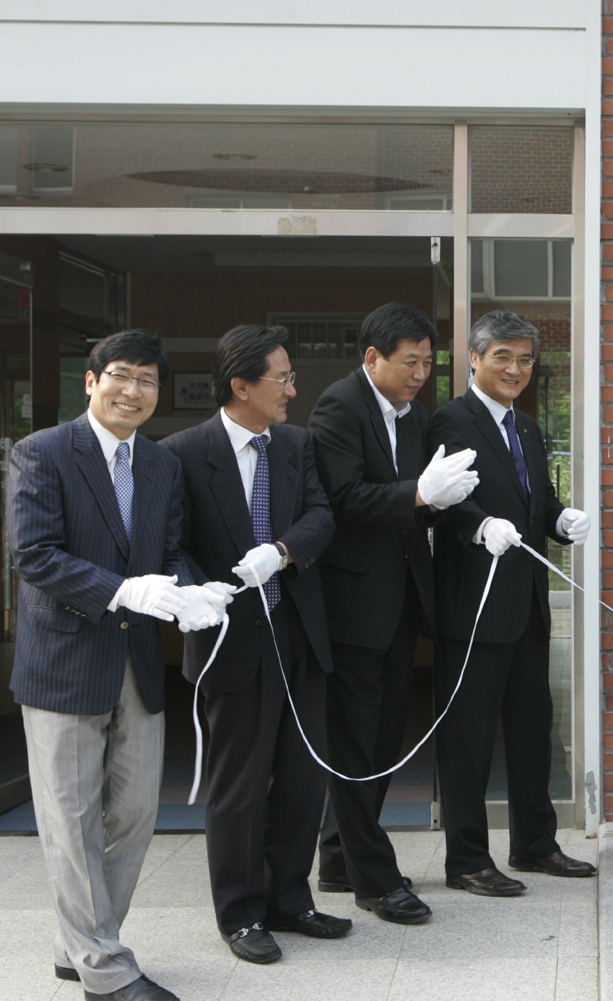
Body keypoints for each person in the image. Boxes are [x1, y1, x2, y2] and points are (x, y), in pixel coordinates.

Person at [7, 330, 223, 1001]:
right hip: (64, 663)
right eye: (122, 376)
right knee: (70, 825)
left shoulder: (160, 463)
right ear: (92, 382)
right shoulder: (42, 452)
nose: (134, 391)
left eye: (147, 381)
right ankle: (105, 968)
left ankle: (77, 943)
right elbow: (33, 554)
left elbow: (169, 548)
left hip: (136, 663)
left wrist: (191, 591)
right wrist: (123, 590)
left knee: (132, 815)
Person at [162, 324, 348, 964]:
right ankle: (241, 915)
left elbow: (322, 514)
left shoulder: (296, 444)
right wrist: (195, 592)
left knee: (302, 777)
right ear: (241, 385)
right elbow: (172, 545)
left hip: (298, 631)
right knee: (239, 784)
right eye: (283, 378)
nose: (293, 390)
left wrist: (283, 550)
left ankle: (290, 900)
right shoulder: (184, 452)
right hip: (232, 639)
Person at [308, 303, 477, 924]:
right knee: (355, 741)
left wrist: (439, 501)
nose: (421, 375)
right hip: (353, 604)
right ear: (372, 357)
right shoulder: (339, 407)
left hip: (403, 599)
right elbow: (344, 499)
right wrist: (419, 494)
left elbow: (424, 499)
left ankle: (337, 860)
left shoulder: (418, 420)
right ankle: (374, 880)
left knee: (381, 739)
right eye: (410, 362)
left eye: (428, 363)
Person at [429, 310, 593, 896]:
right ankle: (467, 860)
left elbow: (537, 499)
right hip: (473, 608)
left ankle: (535, 844)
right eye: (502, 357)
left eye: (525, 360)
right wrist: (480, 526)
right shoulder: (450, 420)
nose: (515, 370)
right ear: (474, 359)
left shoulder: (525, 427)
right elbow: (444, 501)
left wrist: (560, 519)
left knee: (531, 729)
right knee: (468, 738)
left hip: (526, 604)